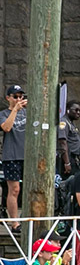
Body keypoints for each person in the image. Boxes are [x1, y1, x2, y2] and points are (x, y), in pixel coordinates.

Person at [1, 84, 27, 219]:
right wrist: (15, 110)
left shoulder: (28, 112)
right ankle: (15, 222)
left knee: (31, 189)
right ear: (8, 98)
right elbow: (6, 127)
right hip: (12, 155)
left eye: (21, 96)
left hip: (27, 155)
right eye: (15, 96)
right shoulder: (4, 114)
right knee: (14, 189)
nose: (18, 99)